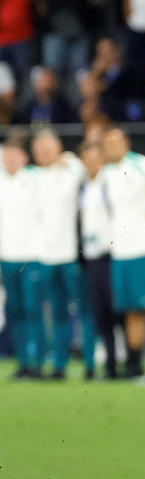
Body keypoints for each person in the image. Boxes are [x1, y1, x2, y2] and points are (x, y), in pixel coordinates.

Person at [101, 127, 145, 380]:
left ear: (126, 143)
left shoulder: (144, 165)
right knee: (130, 309)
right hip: (121, 250)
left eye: (116, 142)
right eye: (108, 143)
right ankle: (135, 364)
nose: (112, 147)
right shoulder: (106, 173)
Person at [29, 129, 86, 380]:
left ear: (58, 147)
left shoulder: (71, 170)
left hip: (68, 254)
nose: (44, 152)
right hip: (40, 256)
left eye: (49, 147)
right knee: (38, 312)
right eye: (39, 148)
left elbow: (82, 167)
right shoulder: (29, 177)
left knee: (69, 312)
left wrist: (69, 158)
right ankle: (37, 363)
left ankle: (63, 364)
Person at [79, 141, 118, 379]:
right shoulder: (81, 185)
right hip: (89, 257)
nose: (91, 163)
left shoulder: (111, 181)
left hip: (110, 255)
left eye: (96, 158)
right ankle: (97, 363)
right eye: (87, 159)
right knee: (96, 313)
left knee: (113, 312)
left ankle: (114, 362)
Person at [1, 140, 41, 378]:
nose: (10, 161)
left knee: (32, 310)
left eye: (14, 156)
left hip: (31, 256)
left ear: (25, 158)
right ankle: (23, 361)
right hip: (8, 257)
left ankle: (37, 361)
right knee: (15, 310)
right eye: (6, 157)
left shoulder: (37, 179)